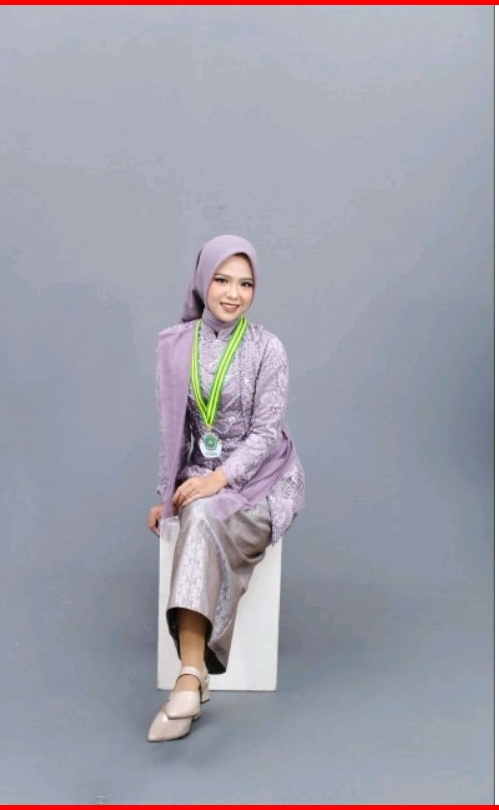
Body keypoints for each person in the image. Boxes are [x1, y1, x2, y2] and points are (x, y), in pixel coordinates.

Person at [146, 234, 305, 742]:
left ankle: (189, 679)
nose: (233, 294)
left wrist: (220, 479)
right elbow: (174, 431)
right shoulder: (177, 345)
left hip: (264, 478)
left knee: (205, 513)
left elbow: (266, 433)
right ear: (202, 281)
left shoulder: (267, 347)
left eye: (245, 284)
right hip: (201, 472)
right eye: (222, 280)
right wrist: (166, 493)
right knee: (195, 511)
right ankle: (193, 673)